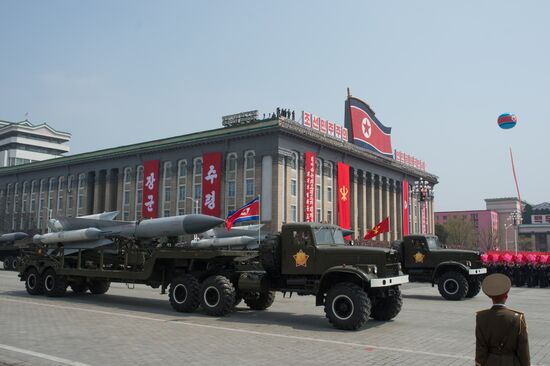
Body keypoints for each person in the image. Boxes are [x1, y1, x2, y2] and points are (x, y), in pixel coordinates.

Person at [475, 273, 530, 366]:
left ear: (490, 297)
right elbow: (523, 349)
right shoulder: (517, 318)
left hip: (490, 362)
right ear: (506, 296)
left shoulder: (481, 317)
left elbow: (481, 348)